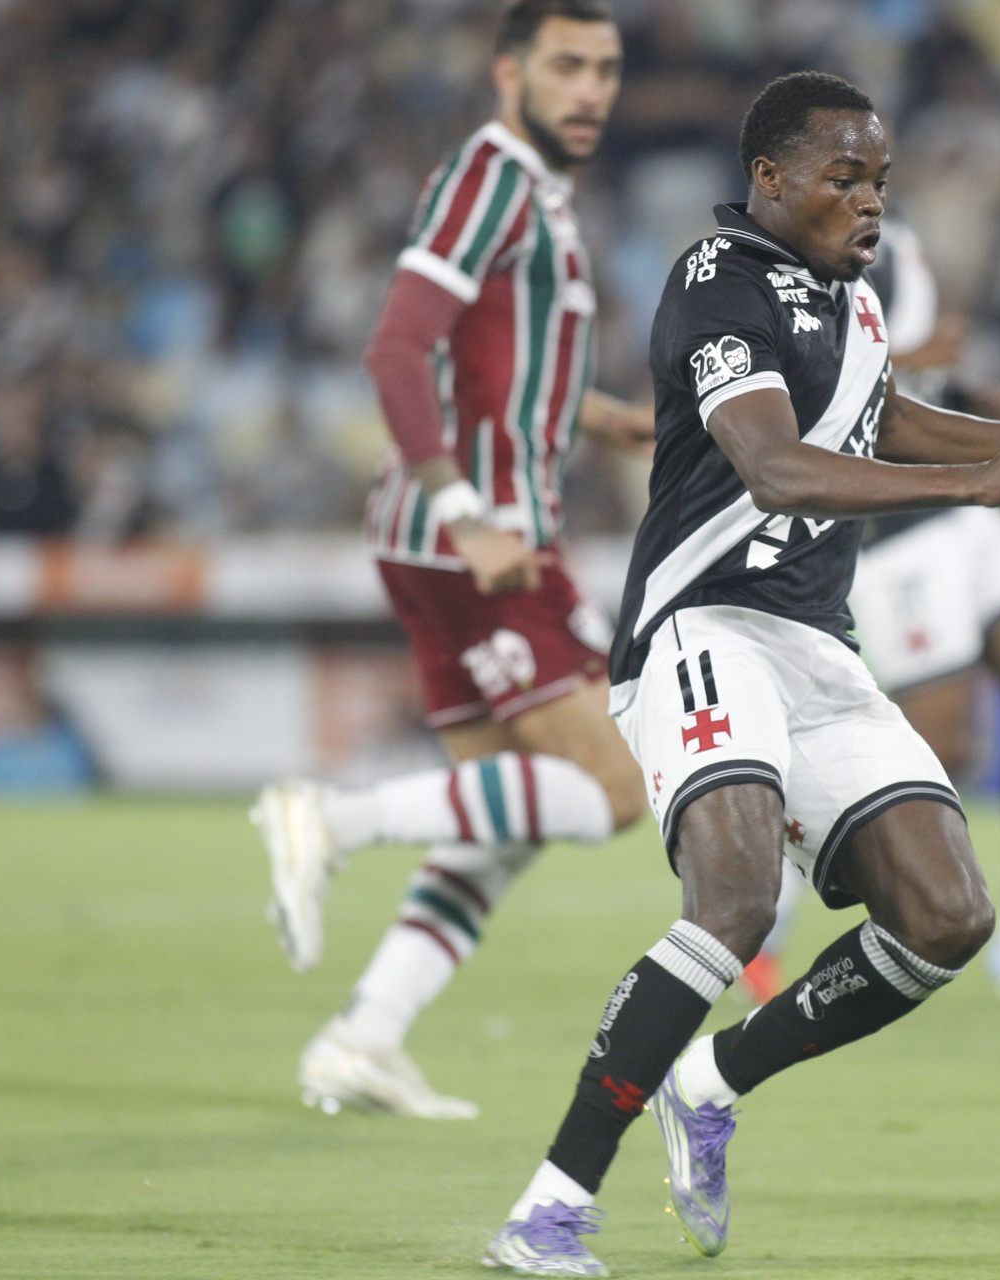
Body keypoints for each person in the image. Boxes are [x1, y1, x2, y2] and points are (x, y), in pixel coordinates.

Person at [480, 71, 1000, 1274]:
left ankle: (711, 1078)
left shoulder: (847, 299)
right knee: (736, 900)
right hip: (699, 630)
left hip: (814, 642)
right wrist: (978, 482)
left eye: (880, 182)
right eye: (843, 179)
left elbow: (888, 420)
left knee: (949, 913)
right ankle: (547, 1208)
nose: (869, 202)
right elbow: (775, 465)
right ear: (770, 179)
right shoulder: (719, 284)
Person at [249, 0, 654, 1120]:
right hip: (477, 545)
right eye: (567, 66)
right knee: (616, 787)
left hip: (474, 537)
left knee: (508, 816)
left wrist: (607, 415)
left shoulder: (540, 193)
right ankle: (330, 818)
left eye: (607, 69)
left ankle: (364, 1036)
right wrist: (464, 506)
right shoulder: (494, 174)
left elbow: (504, 377)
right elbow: (397, 348)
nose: (591, 90)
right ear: (507, 70)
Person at [741, 219, 1000, 1003]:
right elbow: (807, 384)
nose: (864, 188)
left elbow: (915, 379)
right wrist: (912, 363)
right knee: (941, 745)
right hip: (897, 530)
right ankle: (767, 914)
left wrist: (968, 398)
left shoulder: (900, 242)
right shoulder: (786, 261)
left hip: (972, 512)